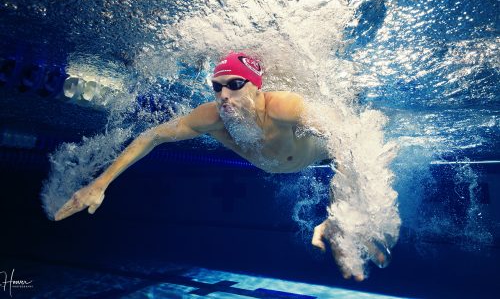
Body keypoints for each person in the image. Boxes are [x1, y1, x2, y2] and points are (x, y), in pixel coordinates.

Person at [54, 52, 381, 281]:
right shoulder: (211, 118)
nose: (223, 95)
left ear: (257, 87)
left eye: (235, 84)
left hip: (324, 156)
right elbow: (152, 136)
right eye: (217, 86)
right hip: (287, 161)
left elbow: (349, 142)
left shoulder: (285, 109)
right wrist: (101, 183)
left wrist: (341, 213)